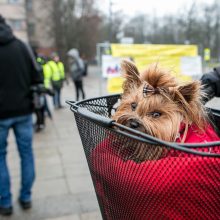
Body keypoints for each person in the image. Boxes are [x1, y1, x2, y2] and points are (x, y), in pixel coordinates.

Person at [0, 15, 43, 216]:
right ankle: (25, 198)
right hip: (23, 110)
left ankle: (5, 202)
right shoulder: (21, 47)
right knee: (26, 154)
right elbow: (37, 75)